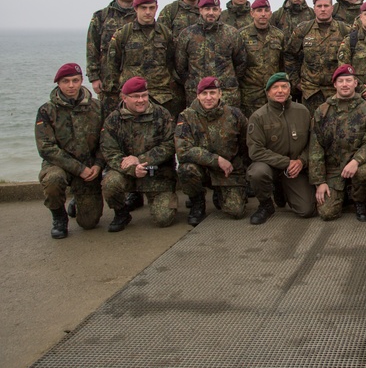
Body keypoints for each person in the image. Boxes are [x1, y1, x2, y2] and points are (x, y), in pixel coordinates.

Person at [101, 77, 178, 232]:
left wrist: (141, 160)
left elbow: (170, 144)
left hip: (157, 174)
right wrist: (131, 168)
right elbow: (109, 151)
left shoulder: (161, 114)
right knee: (110, 183)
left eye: (144, 95)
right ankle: (121, 213)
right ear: (124, 98)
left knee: (164, 219)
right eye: (135, 97)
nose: (141, 100)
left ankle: (166, 198)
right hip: (127, 173)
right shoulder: (114, 119)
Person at [36, 63, 104, 238]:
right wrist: (78, 169)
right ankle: (59, 217)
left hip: (89, 168)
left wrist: (97, 165)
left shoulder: (97, 107)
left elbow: (106, 142)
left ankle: (76, 199)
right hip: (59, 165)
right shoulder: (47, 111)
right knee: (53, 180)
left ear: (82, 81)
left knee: (89, 223)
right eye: (66, 81)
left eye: (75, 80)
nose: (71, 85)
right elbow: (46, 148)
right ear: (58, 83)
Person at [309, 65, 366, 222]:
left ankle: (359, 200)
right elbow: (316, 147)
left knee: (365, 173)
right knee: (327, 213)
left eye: (349, 80)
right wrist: (319, 182)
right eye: (340, 81)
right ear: (335, 85)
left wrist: (357, 161)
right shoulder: (322, 110)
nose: (345, 84)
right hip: (333, 168)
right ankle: (343, 194)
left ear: (356, 83)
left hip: (356, 165)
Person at [175, 77, 250, 225]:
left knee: (236, 211)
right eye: (204, 93)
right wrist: (216, 160)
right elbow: (183, 150)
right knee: (186, 169)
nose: (208, 97)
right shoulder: (187, 116)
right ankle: (197, 201)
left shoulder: (234, 115)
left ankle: (221, 192)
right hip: (201, 169)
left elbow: (245, 144)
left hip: (227, 170)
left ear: (220, 94)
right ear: (197, 95)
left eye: (212, 93)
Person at [246, 73, 316, 224]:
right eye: (275, 87)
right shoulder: (258, 117)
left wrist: (301, 161)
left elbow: (313, 142)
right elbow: (255, 150)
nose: (280, 91)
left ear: (290, 90)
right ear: (268, 92)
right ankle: (266, 204)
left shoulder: (302, 111)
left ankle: (283, 190)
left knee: (306, 210)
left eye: (284, 87)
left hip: (295, 168)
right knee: (257, 173)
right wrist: (285, 162)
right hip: (270, 166)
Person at [106, 0, 185, 119]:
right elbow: (112, 65)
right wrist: (116, 93)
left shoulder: (165, 34)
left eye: (151, 8)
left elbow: (172, 63)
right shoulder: (124, 34)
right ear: (136, 8)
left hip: (161, 96)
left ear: (156, 8)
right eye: (143, 8)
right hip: (133, 96)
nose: (148, 12)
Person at [175, 0, 248, 108]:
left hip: (226, 95)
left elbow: (241, 63)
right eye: (207, 9)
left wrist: (228, 81)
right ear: (200, 10)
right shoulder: (187, 34)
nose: (211, 13)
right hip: (197, 95)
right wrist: (194, 82)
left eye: (214, 9)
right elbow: (180, 66)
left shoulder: (231, 33)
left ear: (220, 11)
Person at [284, 0, 351, 113]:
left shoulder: (344, 30)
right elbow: (289, 55)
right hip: (310, 92)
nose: (323, 9)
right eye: (319, 6)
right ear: (314, 8)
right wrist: (296, 82)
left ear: (332, 8)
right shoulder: (303, 29)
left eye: (326, 6)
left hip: (336, 91)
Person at [86, 0, 136, 117]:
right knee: (108, 118)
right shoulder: (101, 16)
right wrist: (94, 77)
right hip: (108, 80)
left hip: (133, 77)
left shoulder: (140, 16)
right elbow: (92, 47)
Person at [238, 0, 286, 113]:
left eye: (266, 10)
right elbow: (237, 64)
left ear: (270, 13)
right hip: (250, 93)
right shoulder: (242, 35)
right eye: (259, 10)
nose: (263, 14)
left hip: (273, 91)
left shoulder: (278, 35)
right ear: (252, 13)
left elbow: (282, 63)